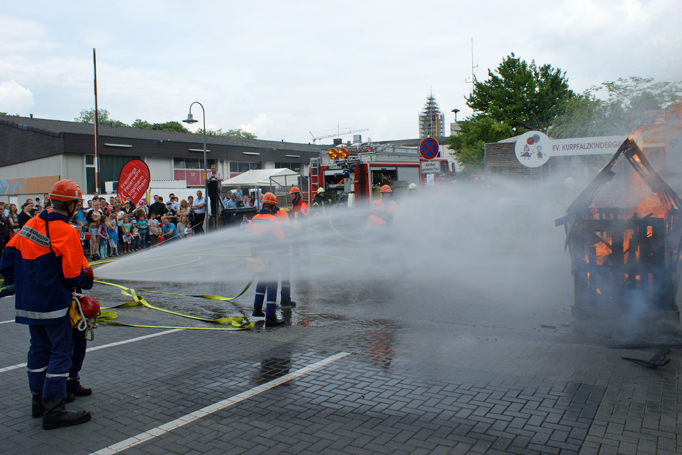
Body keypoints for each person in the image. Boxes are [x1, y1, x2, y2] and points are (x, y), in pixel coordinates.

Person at [0, 179, 94, 429]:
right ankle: (55, 409)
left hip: (28, 302)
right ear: (73, 204)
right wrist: (88, 278)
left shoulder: (30, 224)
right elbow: (73, 276)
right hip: (53, 302)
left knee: (38, 350)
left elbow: (7, 261)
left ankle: (38, 402)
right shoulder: (66, 231)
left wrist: (21, 282)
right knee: (61, 351)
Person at [247, 192, 286, 327]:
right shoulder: (272, 219)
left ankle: (257, 309)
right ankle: (270, 317)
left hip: (255, 254)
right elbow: (280, 238)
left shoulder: (255, 218)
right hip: (270, 256)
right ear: (273, 206)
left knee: (262, 280)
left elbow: (248, 233)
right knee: (272, 284)